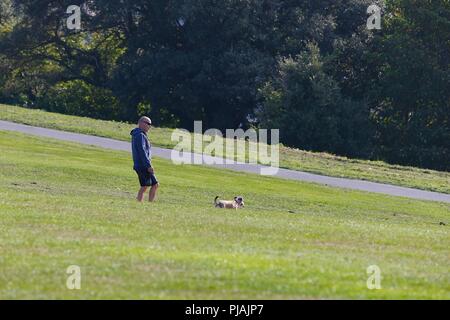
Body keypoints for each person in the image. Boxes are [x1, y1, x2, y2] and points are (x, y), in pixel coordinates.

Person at [130, 116, 159, 202]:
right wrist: (148, 165)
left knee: (155, 184)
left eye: (150, 124)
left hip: (144, 164)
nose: (149, 126)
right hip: (142, 165)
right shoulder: (140, 135)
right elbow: (142, 152)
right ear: (141, 123)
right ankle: (138, 203)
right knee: (145, 186)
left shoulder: (140, 134)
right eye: (148, 124)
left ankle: (150, 204)